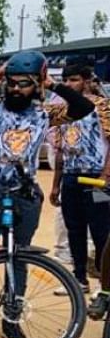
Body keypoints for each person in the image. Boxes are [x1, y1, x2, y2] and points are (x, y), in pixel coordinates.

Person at [0, 50, 92, 338]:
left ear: (36, 84)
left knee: (20, 252)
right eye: (11, 83)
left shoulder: (45, 113)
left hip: (23, 186)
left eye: (23, 83)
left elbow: (84, 108)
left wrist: (52, 85)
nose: (15, 89)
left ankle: (11, 316)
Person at [47, 57, 110, 294]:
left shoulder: (102, 106)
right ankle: (79, 279)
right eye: (64, 80)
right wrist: (56, 184)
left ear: (86, 81)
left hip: (97, 179)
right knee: (74, 229)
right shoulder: (64, 111)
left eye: (73, 80)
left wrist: (106, 175)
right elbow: (60, 150)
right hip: (72, 177)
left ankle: (105, 286)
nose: (68, 84)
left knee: (101, 231)